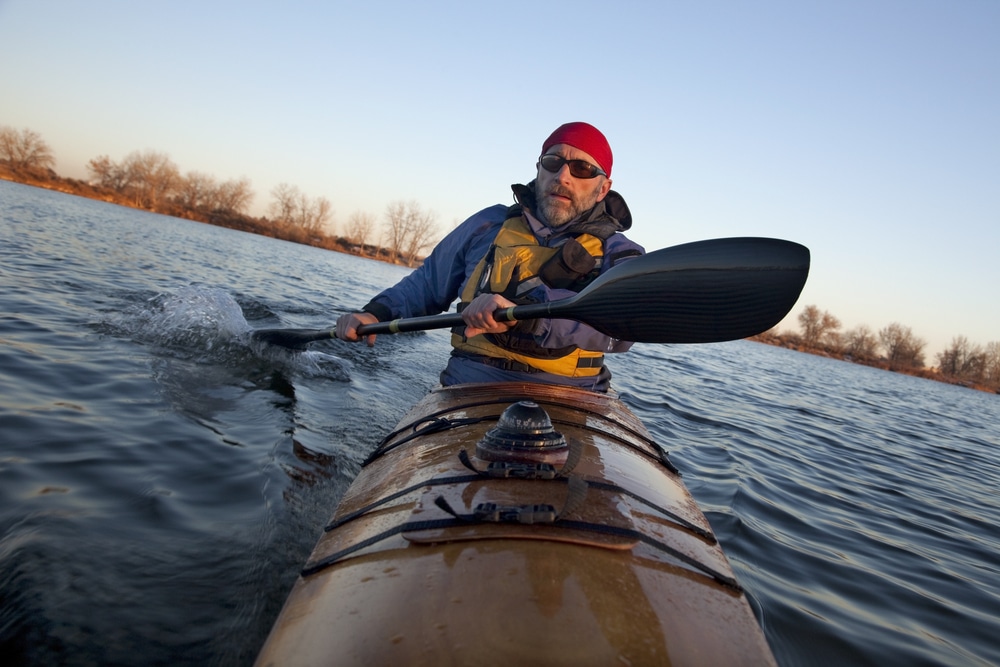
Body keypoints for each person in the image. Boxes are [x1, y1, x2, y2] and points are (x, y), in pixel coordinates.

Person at [335, 122, 644, 393]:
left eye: (582, 169)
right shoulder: (487, 224)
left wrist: (529, 317)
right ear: (539, 169)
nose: (563, 176)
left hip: (572, 397)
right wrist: (375, 313)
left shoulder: (620, 254)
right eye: (553, 162)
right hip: (470, 386)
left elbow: (625, 325)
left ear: (603, 188)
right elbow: (428, 284)